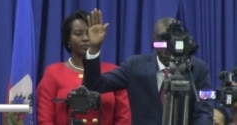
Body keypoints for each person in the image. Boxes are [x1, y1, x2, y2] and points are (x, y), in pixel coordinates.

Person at [82, 11, 213, 125]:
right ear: (153, 41)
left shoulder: (198, 69)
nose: (166, 48)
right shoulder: (135, 66)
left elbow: (204, 113)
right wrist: (94, 48)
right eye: (162, 41)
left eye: (171, 42)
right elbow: (95, 85)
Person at [36, 9, 131, 125]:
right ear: (68, 39)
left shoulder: (113, 72)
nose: (86, 38)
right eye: (78, 33)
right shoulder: (53, 73)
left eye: (89, 33)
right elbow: (45, 120)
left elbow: (124, 119)